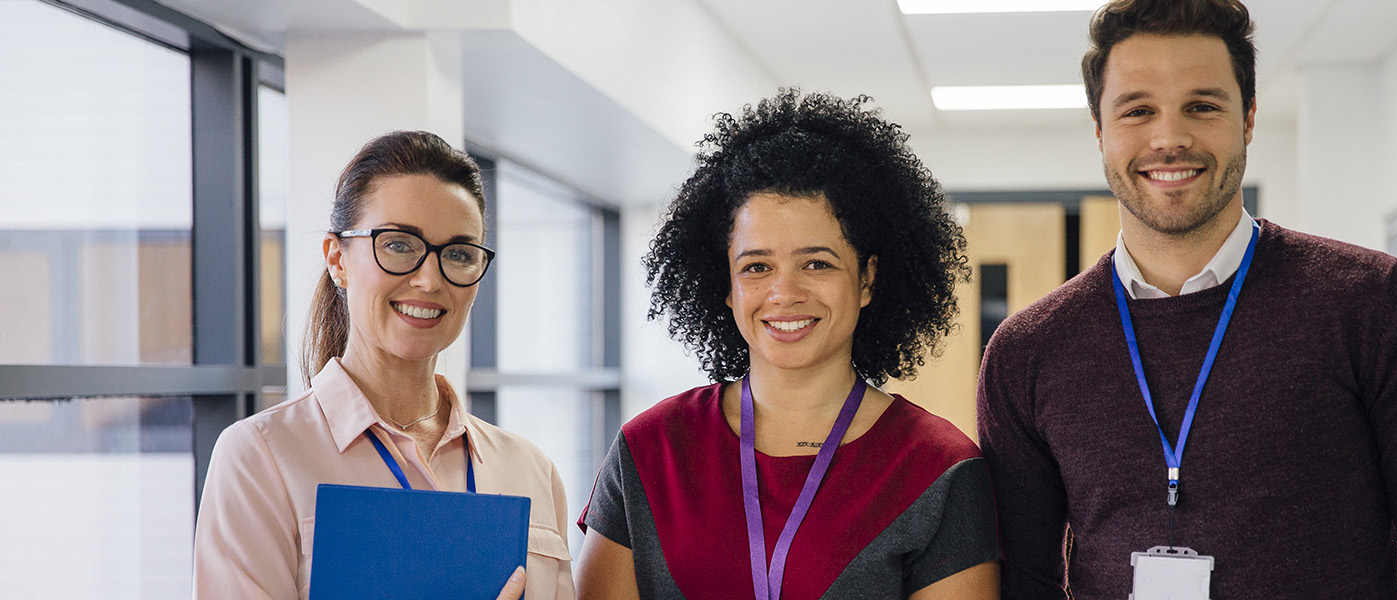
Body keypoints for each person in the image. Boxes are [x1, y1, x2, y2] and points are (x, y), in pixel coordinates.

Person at [976, 0, 1397, 598]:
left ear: (1249, 117)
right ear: (1100, 130)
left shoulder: (1378, 307)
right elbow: (1025, 584)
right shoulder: (1028, 353)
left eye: (1202, 106)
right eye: (1138, 110)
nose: (1169, 137)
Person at [574, 90, 999, 600]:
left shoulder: (937, 468)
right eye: (756, 267)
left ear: (867, 279)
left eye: (817, 263)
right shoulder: (649, 451)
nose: (784, 293)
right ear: (727, 287)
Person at [194, 130, 575, 600]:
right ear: (338, 259)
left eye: (458, 254)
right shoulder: (261, 458)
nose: (429, 279)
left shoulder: (532, 470)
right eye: (398, 245)